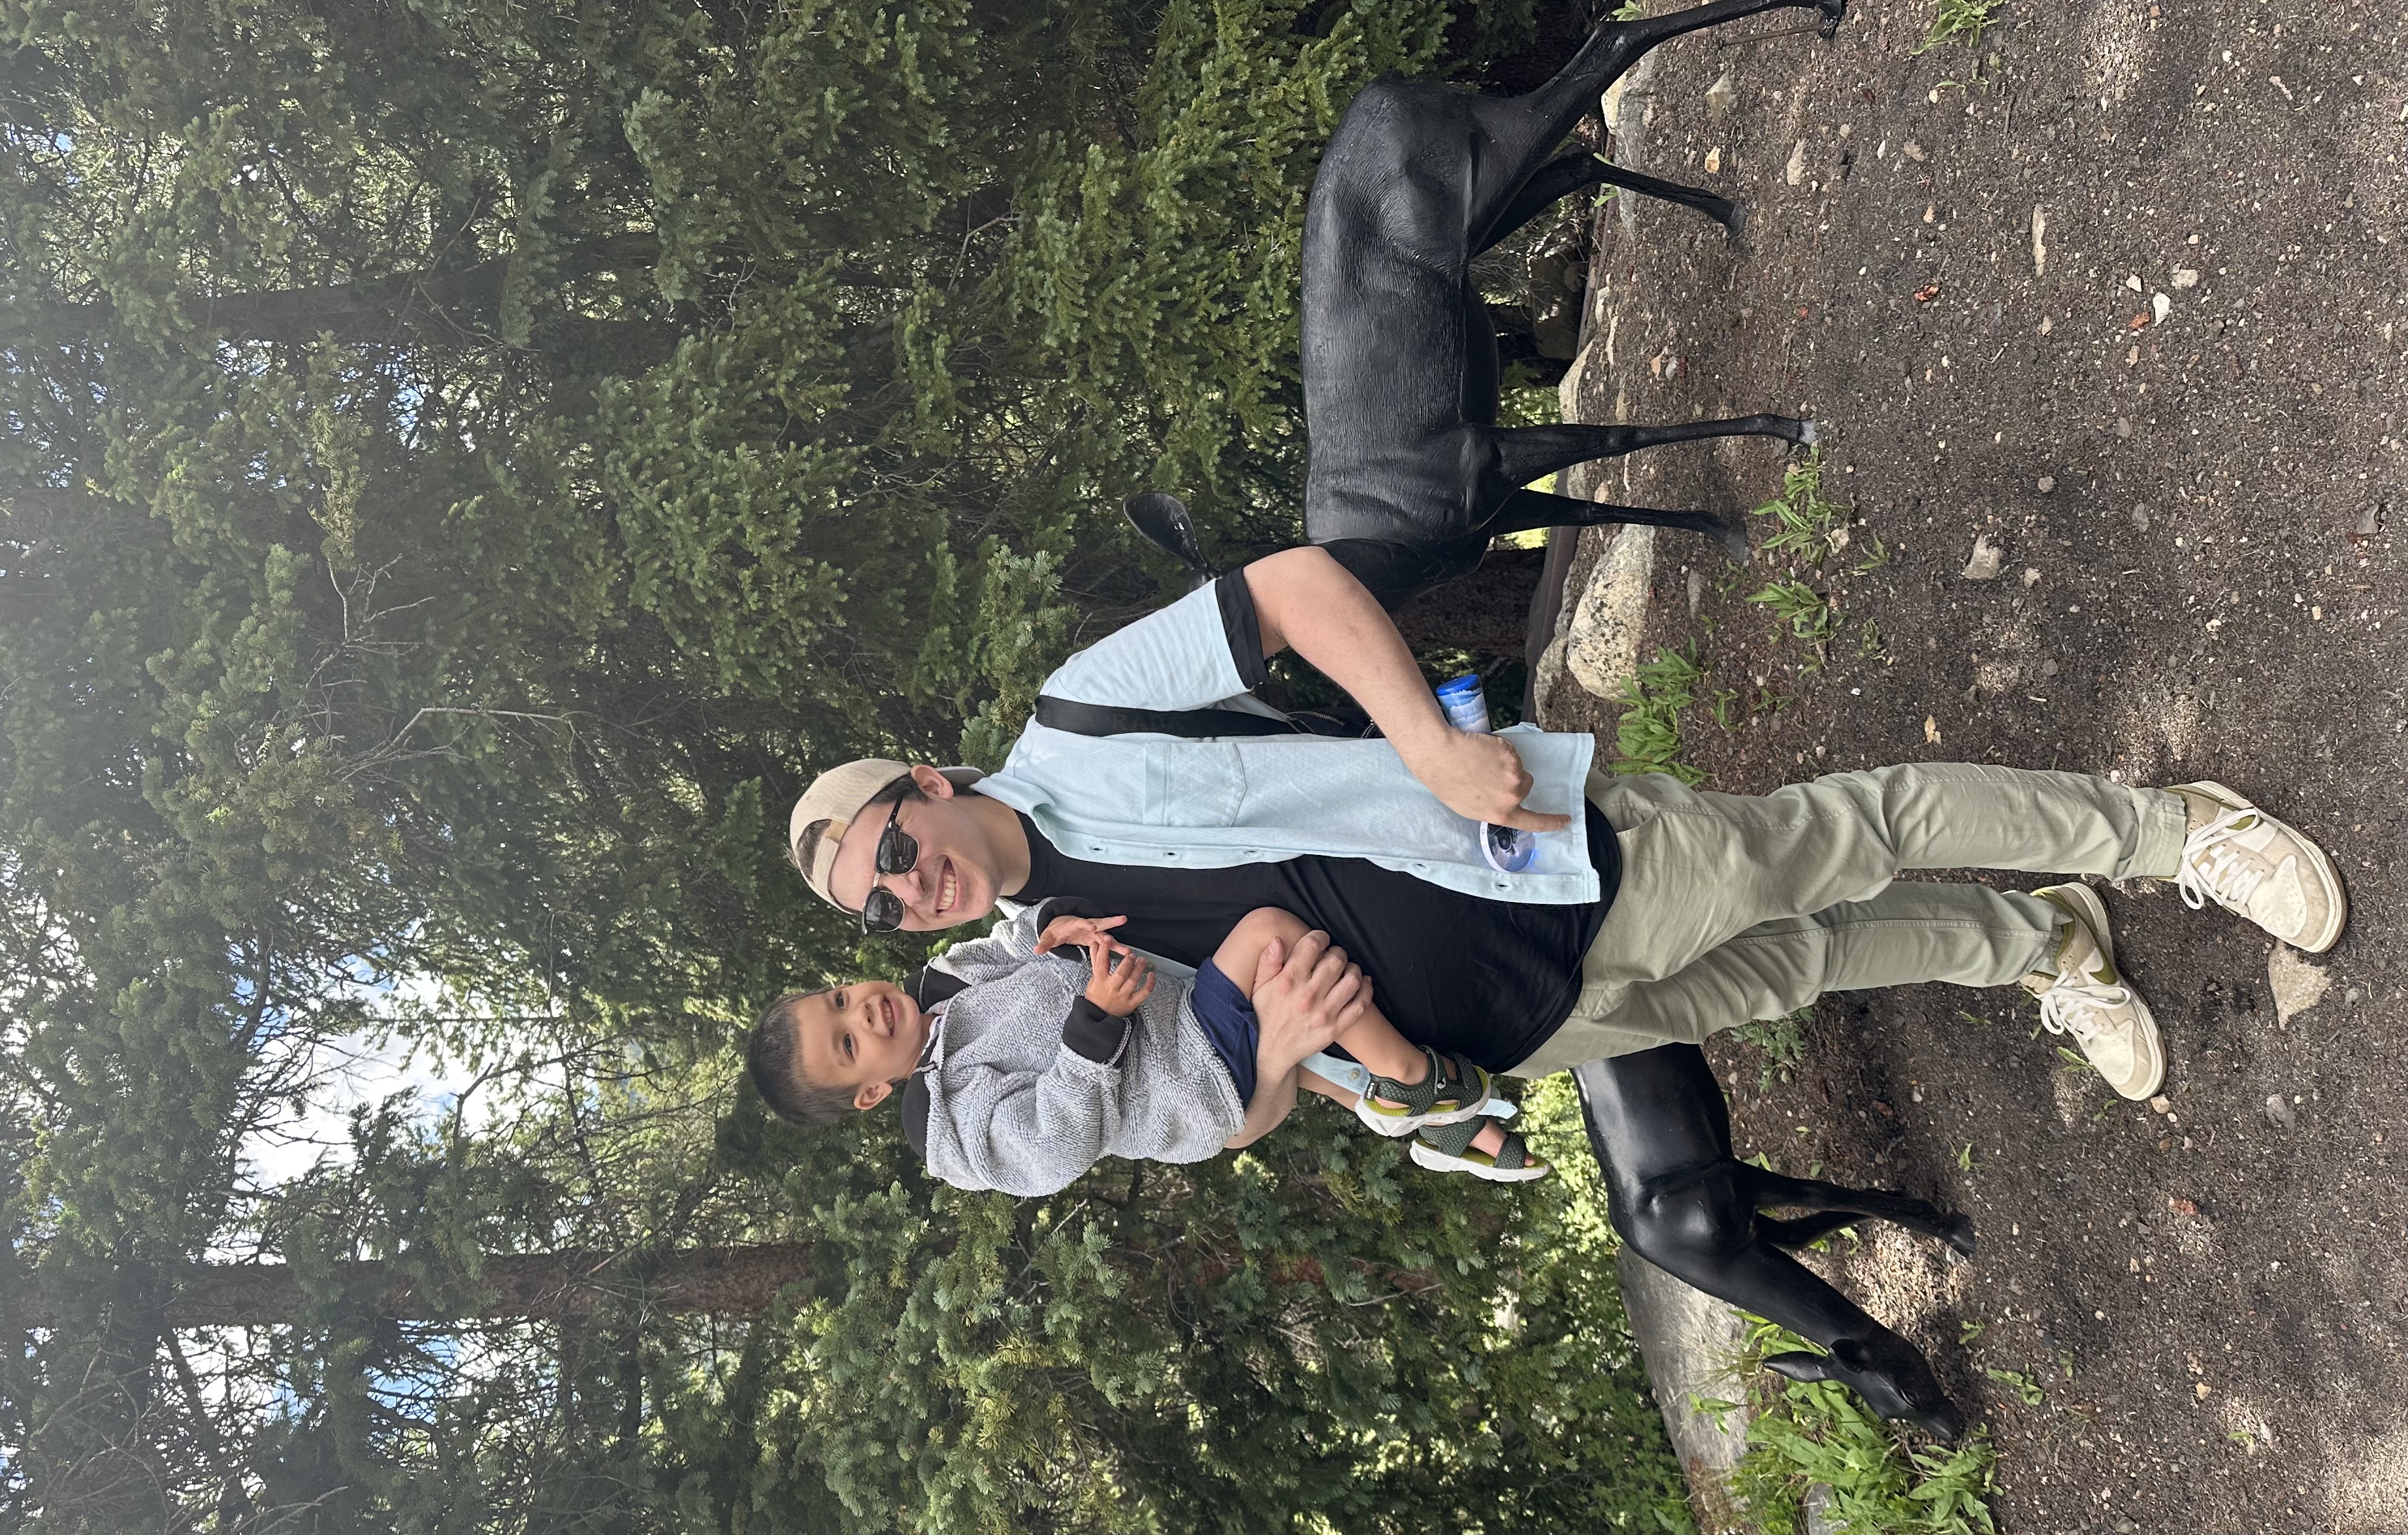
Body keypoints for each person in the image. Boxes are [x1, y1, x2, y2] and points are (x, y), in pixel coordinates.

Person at [781, 545, 2346, 1107]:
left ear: (923, 781)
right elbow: (1195, 1085)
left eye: (890, 847)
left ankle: (2173, 834)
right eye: (878, 906)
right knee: (1795, 970)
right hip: (1505, 1027)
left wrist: (1432, 747)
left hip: (1516, 861)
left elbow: (1297, 589)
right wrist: (1331, 1072)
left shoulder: (1076, 717)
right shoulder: (1039, 967)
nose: (904, 891)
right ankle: (2039, 945)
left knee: (1840, 837)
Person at [745, 881, 1550, 1197]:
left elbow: (1012, 944)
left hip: (1174, 1014)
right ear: (872, 1093)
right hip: (1183, 1076)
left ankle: (1443, 1128)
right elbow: (1045, 1149)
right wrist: (1093, 1027)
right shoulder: (944, 1123)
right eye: (849, 1045)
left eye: (841, 999)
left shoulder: (941, 983)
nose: (865, 1014)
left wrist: (1046, 926)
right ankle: (1415, 1079)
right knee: (1271, 937)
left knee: (1311, 1061)